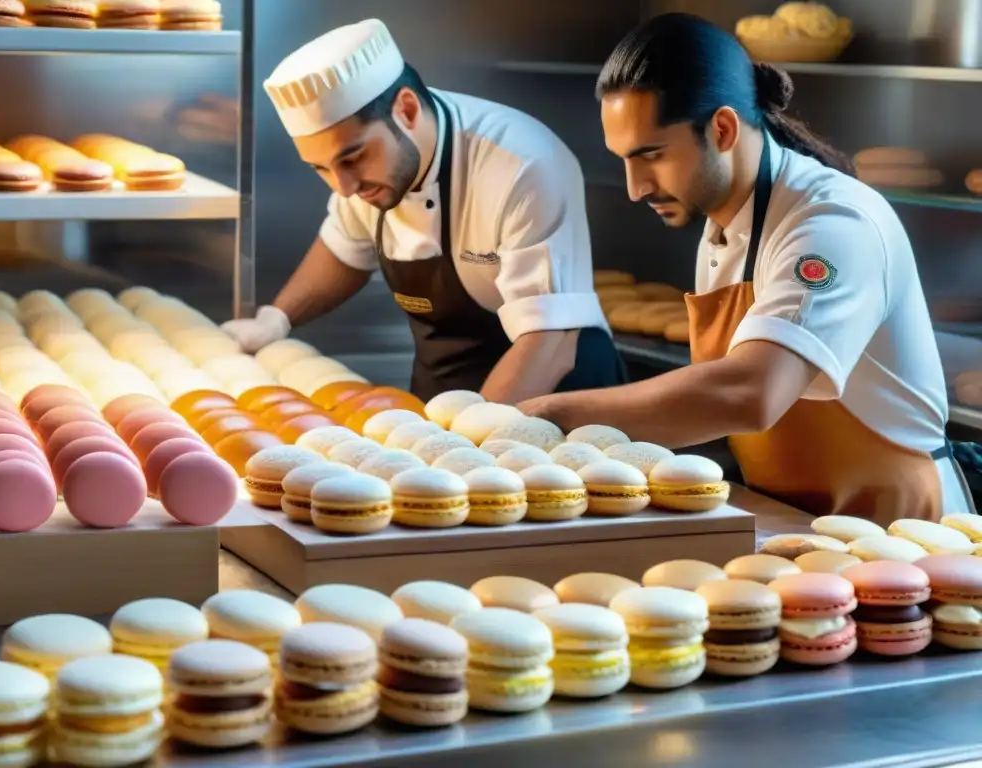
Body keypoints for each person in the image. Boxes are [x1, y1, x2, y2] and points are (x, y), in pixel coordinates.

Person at [519, 13, 977, 522]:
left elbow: (752, 391)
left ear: (722, 128)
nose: (635, 187)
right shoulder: (724, 224)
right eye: (624, 160)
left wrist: (555, 414)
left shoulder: (832, 223)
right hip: (798, 521)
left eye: (651, 155)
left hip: (896, 531)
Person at [221, 18, 626, 402]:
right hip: (446, 396)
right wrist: (276, 319)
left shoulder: (522, 165)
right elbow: (345, 248)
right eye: (321, 168)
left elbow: (549, 341)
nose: (343, 188)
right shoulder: (366, 180)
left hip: (555, 398)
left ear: (408, 110)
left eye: (353, 158)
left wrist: (464, 448)